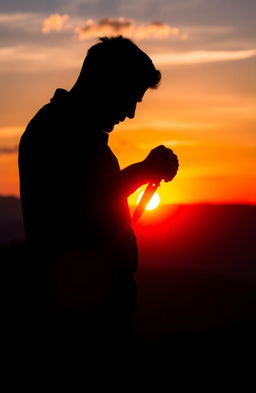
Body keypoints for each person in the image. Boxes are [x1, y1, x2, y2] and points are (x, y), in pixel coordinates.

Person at [18, 36, 179, 359]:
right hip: (78, 317)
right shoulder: (55, 131)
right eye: (130, 98)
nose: (131, 114)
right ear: (106, 83)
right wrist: (142, 171)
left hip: (94, 305)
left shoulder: (78, 134)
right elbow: (79, 206)